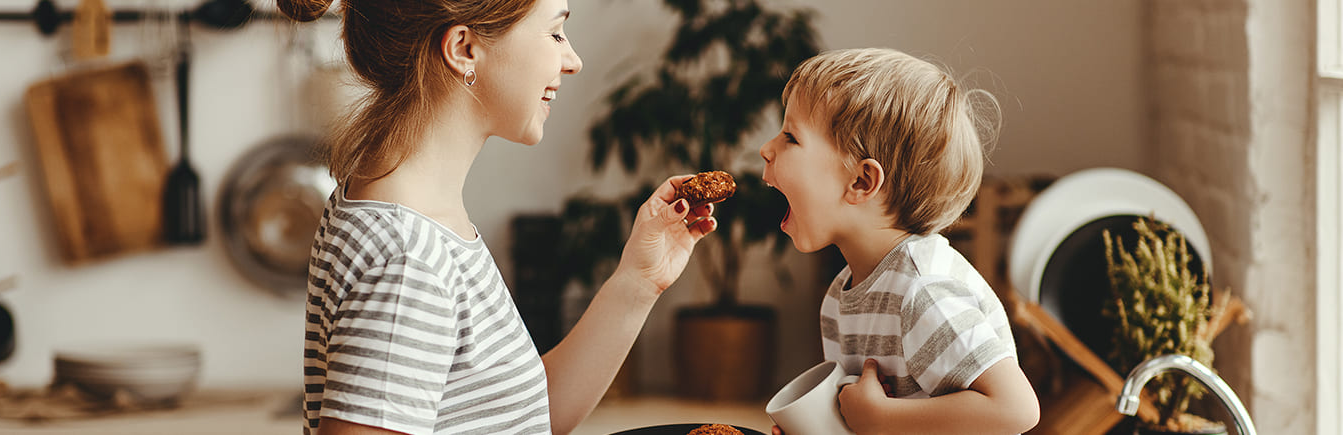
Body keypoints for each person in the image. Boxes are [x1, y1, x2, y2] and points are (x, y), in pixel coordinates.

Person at [276, 0, 719, 433]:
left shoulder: (413, 217)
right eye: (555, 32)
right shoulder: (409, 260)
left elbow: (521, 415)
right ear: (464, 49)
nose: (573, 60)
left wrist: (638, 281)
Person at [759, 48, 1040, 434]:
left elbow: (1015, 410)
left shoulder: (924, 292)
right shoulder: (841, 297)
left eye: (791, 136)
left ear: (861, 182)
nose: (766, 148)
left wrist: (880, 418)